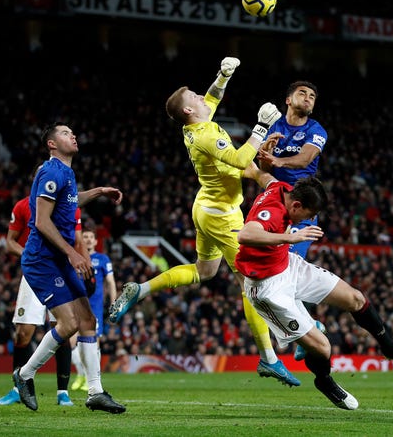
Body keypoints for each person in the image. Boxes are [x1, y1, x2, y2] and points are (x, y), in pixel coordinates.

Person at [108, 57, 299, 386]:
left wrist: (223, 75)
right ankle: (270, 357)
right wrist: (260, 128)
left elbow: (212, 98)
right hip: (223, 216)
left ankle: (140, 289)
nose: (202, 97)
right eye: (194, 96)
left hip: (205, 207)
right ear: (187, 111)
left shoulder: (194, 125)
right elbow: (240, 159)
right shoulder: (207, 134)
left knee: (205, 271)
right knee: (250, 284)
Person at [235, 168, 393, 410]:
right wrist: (290, 238)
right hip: (267, 288)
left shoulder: (280, 188)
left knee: (356, 298)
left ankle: (389, 347)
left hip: (287, 265)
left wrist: (262, 163)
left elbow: (262, 176)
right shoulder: (273, 213)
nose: (307, 221)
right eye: (308, 214)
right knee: (323, 346)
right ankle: (324, 381)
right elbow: (246, 234)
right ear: (295, 205)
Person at [12, 122, 126, 413]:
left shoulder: (67, 173)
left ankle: (95, 393)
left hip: (58, 259)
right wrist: (73, 255)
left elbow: (72, 201)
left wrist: (99, 191)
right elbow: (41, 221)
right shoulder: (51, 171)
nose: (72, 135)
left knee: (87, 321)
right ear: (51, 144)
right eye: (64, 133)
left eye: (73, 132)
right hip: (42, 260)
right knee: (69, 324)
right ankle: (24, 375)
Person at [0, 180, 82, 406]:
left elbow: (77, 234)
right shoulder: (23, 206)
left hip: (60, 272)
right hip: (36, 272)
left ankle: (62, 392)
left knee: (63, 329)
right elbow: (10, 242)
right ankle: (18, 388)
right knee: (23, 333)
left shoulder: (67, 206)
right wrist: (29, 256)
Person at [257, 80, 326, 259]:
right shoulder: (273, 126)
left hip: (301, 203)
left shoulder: (316, 130)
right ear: (288, 100)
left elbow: (305, 159)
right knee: (264, 258)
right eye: (302, 93)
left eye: (312, 97)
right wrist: (268, 150)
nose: (308, 99)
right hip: (275, 200)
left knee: (290, 259)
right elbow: (264, 168)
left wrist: (279, 161)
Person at [70, 226, 117, 392]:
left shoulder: (103, 259)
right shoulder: (75, 257)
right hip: (76, 304)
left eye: (91, 237)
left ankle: (92, 378)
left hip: (94, 307)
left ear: (96, 241)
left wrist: (114, 302)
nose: (89, 239)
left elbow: (110, 282)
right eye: (86, 237)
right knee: (71, 342)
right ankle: (81, 374)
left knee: (93, 343)